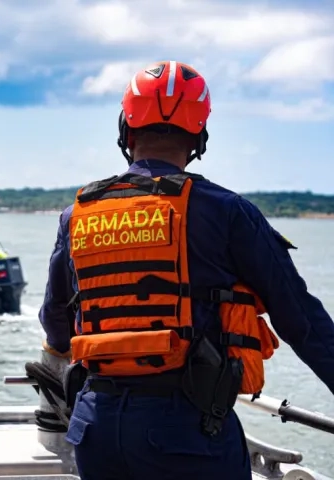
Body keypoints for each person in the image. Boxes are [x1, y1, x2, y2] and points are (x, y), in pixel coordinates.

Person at [38, 60, 334, 480]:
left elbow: (56, 323)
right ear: (199, 136)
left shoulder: (78, 214)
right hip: (188, 432)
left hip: (96, 429)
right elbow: (302, 321)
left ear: (126, 127)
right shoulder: (227, 211)